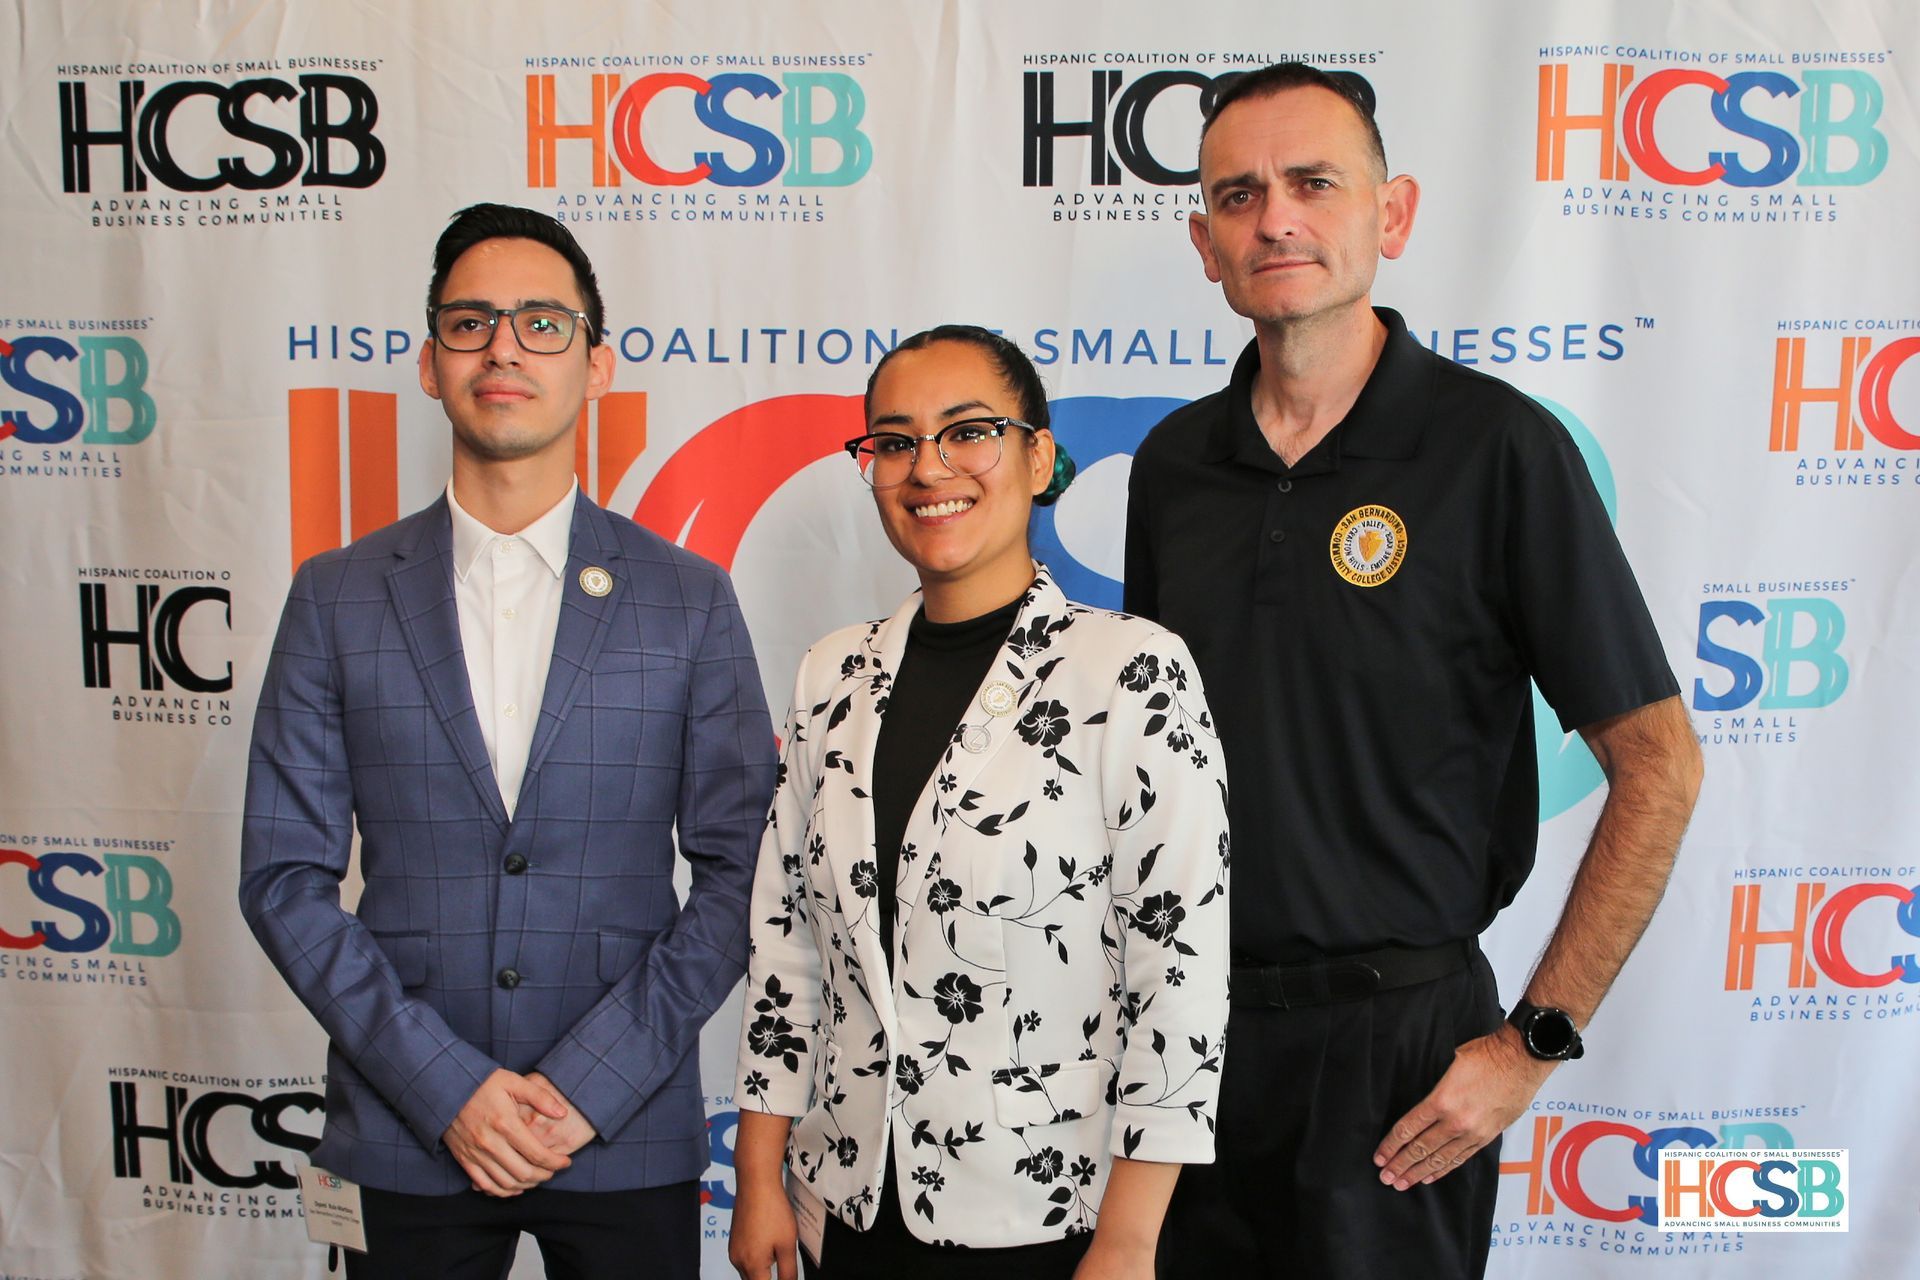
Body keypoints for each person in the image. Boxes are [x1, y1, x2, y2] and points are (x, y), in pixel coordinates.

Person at [1125, 64, 1704, 1278]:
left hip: (1399, 1055)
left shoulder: (1497, 449)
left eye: (1313, 183)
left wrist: (1534, 1039)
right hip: (1185, 1040)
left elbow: (1658, 762)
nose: (1276, 217)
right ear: (1203, 241)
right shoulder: (1173, 468)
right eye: (1239, 194)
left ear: (1391, 215)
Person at [239, 203, 776, 1279]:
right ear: (430, 363)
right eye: (471, 321)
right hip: (404, 1130)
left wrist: (590, 1082)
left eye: (541, 322)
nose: (504, 348)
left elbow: (741, 875)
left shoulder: (689, 600)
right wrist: (444, 1085)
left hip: (622, 1130)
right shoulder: (336, 596)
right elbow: (283, 879)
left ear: (597, 362)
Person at [728, 326, 1230, 1280]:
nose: (931, 468)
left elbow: (1179, 973)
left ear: (1038, 457)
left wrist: (1128, 1240)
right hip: (845, 1202)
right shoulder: (832, 674)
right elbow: (787, 941)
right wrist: (759, 1172)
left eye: (969, 431)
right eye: (895, 441)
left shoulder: (1129, 673)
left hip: (1046, 1215)